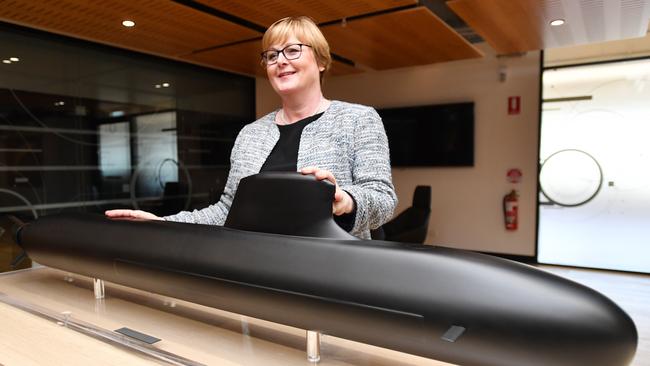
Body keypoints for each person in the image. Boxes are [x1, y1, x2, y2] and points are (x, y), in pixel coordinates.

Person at [106, 16, 397, 239]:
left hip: (335, 276)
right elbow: (226, 211)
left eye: (292, 50)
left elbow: (383, 201)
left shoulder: (358, 119)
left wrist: (345, 200)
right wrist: (161, 223)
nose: (280, 61)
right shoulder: (251, 134)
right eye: (271, 55)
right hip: (259, 269)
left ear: (321, 61)